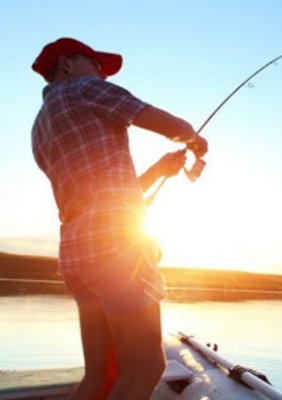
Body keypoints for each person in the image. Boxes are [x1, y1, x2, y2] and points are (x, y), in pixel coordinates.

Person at [31, 37, 208, 399]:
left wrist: (159, 170)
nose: (101, 75)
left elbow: (102, 195)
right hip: (115, 250)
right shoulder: (86, 89)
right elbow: (169, 124)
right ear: (67, 64)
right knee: (145, 370)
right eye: (96, 65)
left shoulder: (39, 127)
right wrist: (192, 138)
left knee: (100, 377)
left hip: (78, 255)